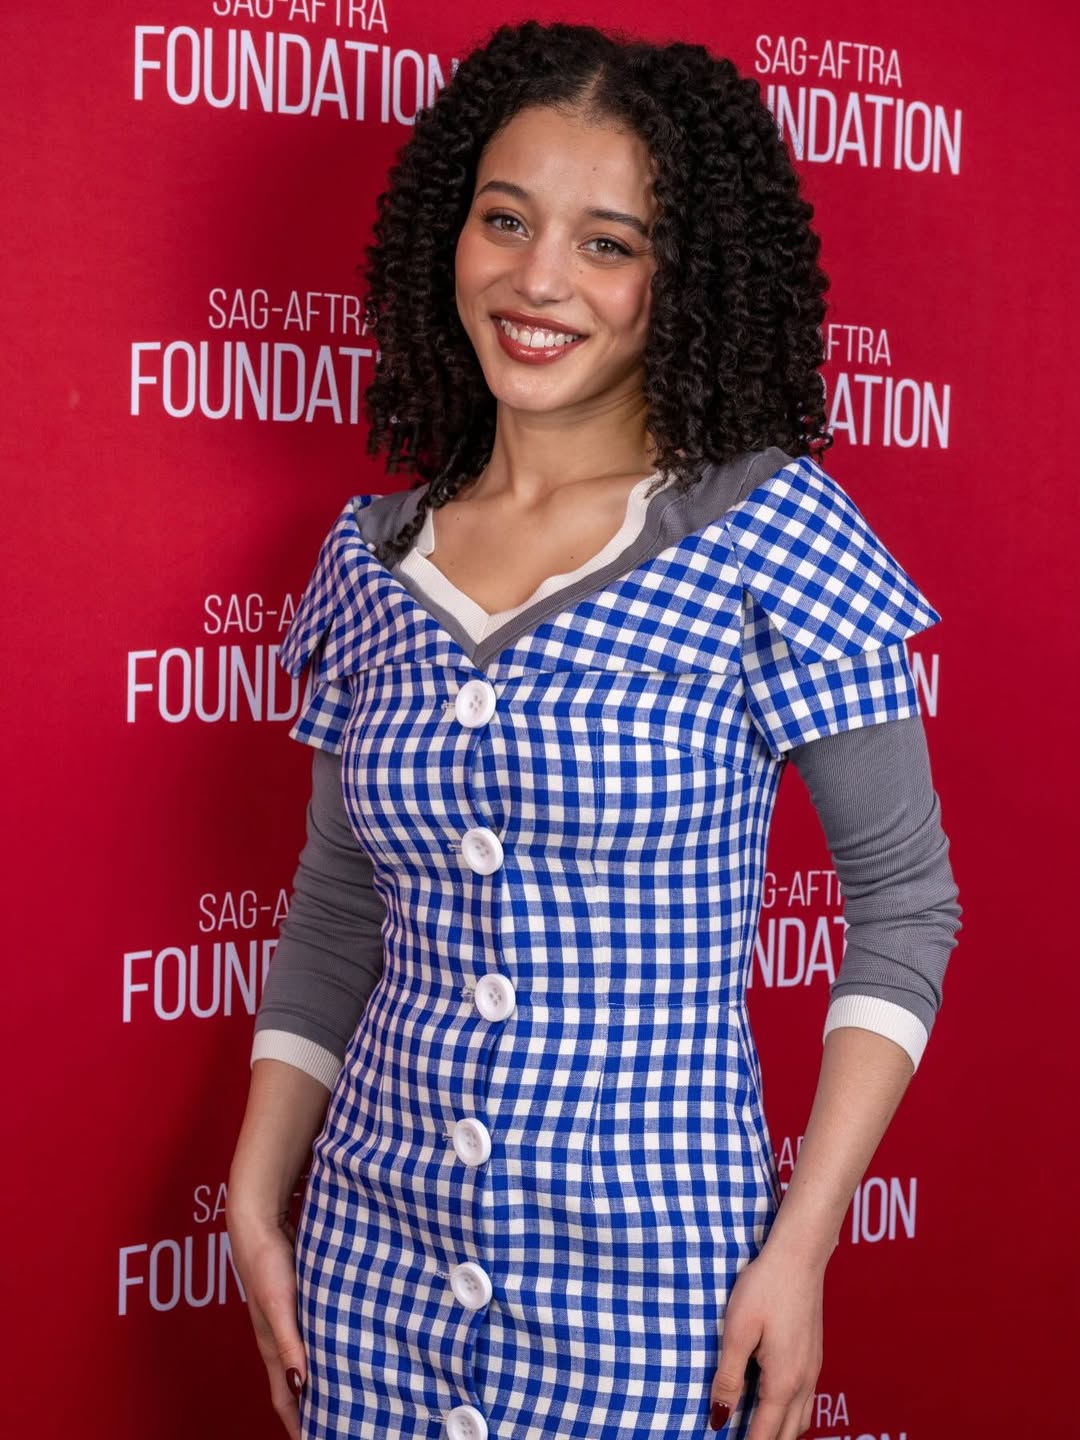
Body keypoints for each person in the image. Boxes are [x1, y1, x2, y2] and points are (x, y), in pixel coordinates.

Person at [227, 19, 963, 1440]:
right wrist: (259, 1195)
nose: (539, 279)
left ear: (683, 281)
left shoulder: (771, 533)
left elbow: (903, 903)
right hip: (368, 1269)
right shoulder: (368, 558)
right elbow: (333, 909)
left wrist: (800, 1246)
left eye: (608, 243)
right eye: (505, 220)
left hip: (663, 1288)